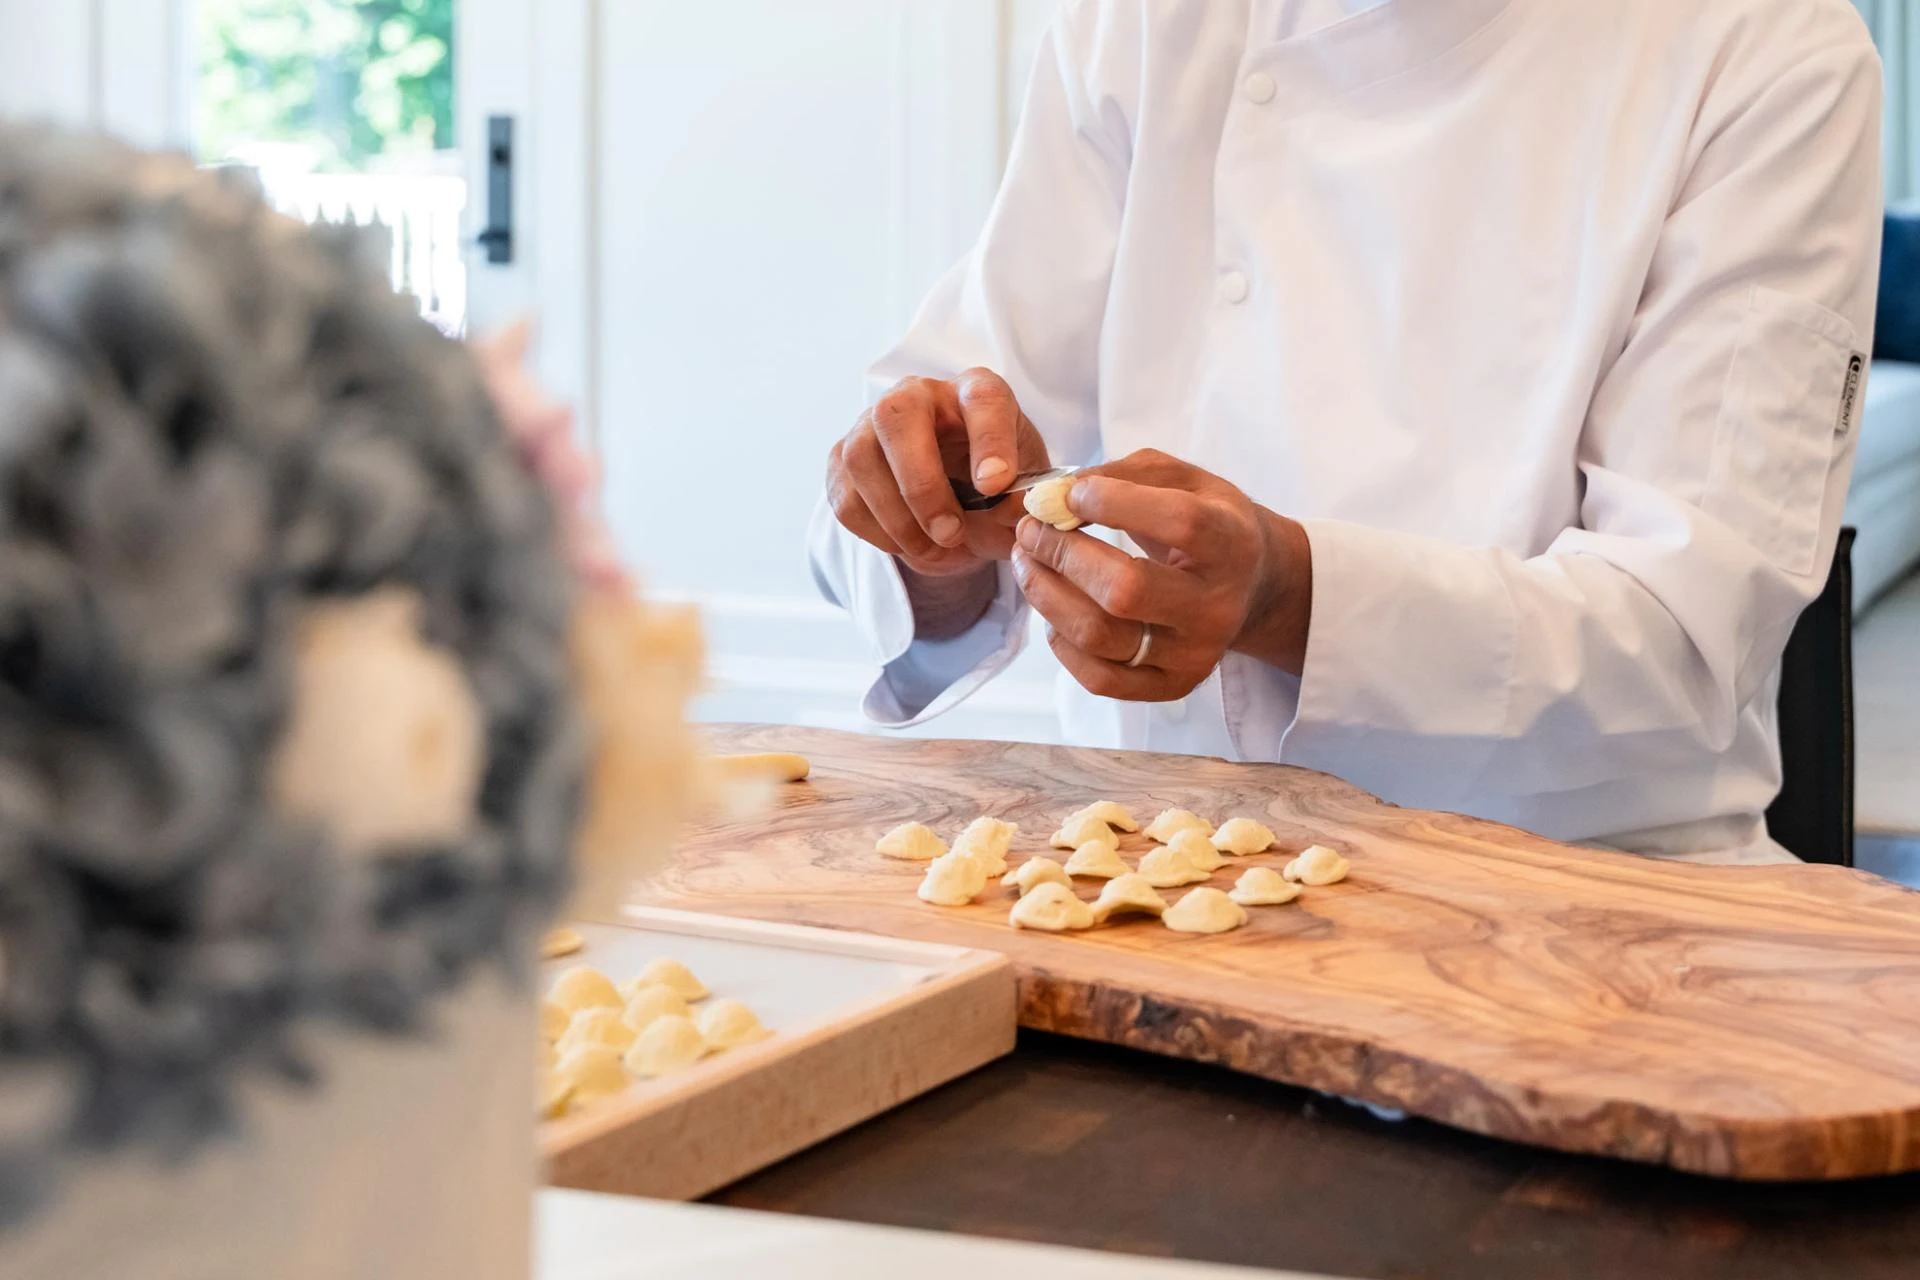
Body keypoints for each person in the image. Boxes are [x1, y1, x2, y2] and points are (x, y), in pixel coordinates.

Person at [810, 0, 1884, 865]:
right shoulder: (1140, 21)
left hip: (1579, 901)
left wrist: (1288, 595)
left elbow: (1682, 642)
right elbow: (954, 441)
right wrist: (935, 535)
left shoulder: (1767, 47)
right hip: (1134, 866)